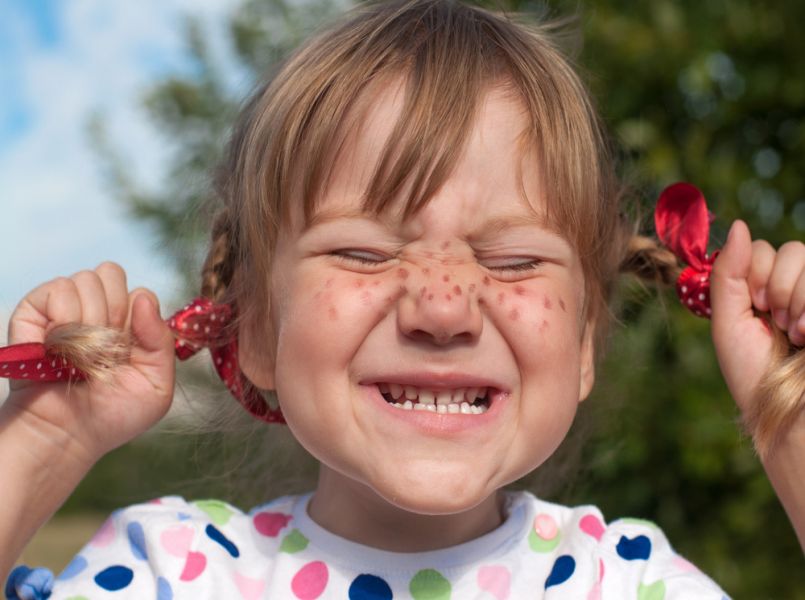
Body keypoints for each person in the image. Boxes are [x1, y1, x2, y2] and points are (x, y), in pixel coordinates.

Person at [1, 1, 803, 598]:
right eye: (362, 251)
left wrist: (790, 425)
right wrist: (45, 439)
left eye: (513, 259)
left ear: (587, 341)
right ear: (252, 324)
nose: (442, 308)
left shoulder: (632, 584)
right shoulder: (173, 571)